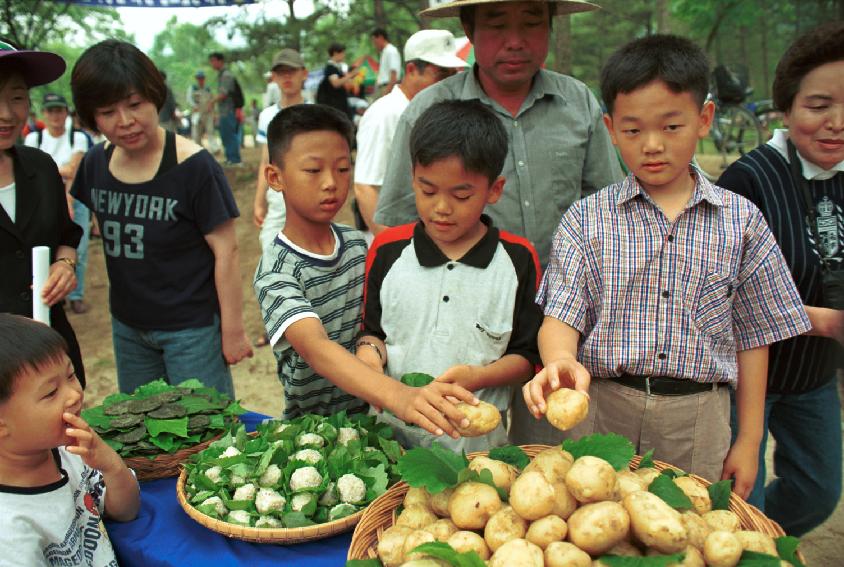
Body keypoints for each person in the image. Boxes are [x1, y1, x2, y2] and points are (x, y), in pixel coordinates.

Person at [522, 34, 811, 491]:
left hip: (697, 419)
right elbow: (560, 313)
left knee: (687, 538)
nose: (652, 145)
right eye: (633, 131)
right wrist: (559, 360)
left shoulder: (742, 222)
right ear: (611, 128)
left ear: (704, 119)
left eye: (671, 127)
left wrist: (750, 438)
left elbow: (754, 337)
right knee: (592, 533)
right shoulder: (586, 218)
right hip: (600, 404)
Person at [374, 0, 624, 444]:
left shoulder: (577, 103)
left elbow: (606, 209)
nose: (515, 40)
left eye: (531, 23)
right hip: (464, 332)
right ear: (469, 29)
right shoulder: (429, 111)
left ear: (549, 27)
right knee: (453, 458)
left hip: (564, 324)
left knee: (547, 466)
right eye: (496, 24)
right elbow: (396, 224)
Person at [253, 104, 478, 435]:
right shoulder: (276, 270)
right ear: (275, 177)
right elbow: (316, 348)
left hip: (377, 422)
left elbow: (383, 319)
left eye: (343, 169)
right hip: (315, 430)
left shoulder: (358, 244)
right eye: (313, 171)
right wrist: (399, 397)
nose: (331, 183)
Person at [69, 40, 253, 397]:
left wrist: (232, 330)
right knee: (145, 433)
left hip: (191, 330)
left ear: (155, 96)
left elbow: (226, 252)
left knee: (206, 431)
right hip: (128, 328)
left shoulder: (195, 167)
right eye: (107, 112)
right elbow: (78, 223)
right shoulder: (95, 164)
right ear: (92, 117)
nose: (125, 122)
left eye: (135, 104)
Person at [716, 23, 844, 535]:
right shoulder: (747, 180)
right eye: (818, 106)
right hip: (747, 379)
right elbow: (723, 294)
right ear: (785, 110)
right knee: (743, 500)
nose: (837, 123)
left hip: (814, 378)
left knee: (819, 492)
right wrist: (824, 322)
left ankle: (770, 541)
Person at [358, 100, 542, 452]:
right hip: (389, 444)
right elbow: (373, 332)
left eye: (461, 195)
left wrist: (479, 377)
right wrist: (369, 359)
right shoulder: (388, 250)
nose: (441, 208)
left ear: (494, 190)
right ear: (412, 178)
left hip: (478, 449)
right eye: (427, 191)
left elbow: (525, 357)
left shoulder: (517, 259)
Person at [0, 314, 140, 564]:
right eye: (51, 392)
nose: (74, 394)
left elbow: (126, 511)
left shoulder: (69, 451)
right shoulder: (9, 529)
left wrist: (111, 465)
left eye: (71, 375)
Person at [0, 39, 86, 388]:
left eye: (17, 97)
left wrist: (64, 266)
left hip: (50, 353)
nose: (6, 113)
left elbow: (66, 236)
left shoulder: (40, 167)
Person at [354, 29, 467, 242]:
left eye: (453, 74)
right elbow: (365, 187)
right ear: (412, 69)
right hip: (399, 238)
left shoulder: (439, 112)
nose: (449, 82)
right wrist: (391, 247)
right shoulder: (386, 114)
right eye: (441, 74)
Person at [24, 93, 93, 316]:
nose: (55, 115)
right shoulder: (34, 139)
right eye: (50, 111)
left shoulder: (78, 137)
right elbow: (34, 173)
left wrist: (66, 200)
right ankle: (53, 295)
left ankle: (76, 295)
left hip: (74, 197)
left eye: (59, 110)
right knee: (43, 249)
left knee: (77, 250)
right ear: (44, 114)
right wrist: (60, 171)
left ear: (66, 113)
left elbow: (73, 170)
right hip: (41, 200)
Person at [253, 48, 309, 253]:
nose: (287, 77)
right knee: (270, 251)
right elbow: (265, 163)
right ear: (274, 77)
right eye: (281, 72)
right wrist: (259, 202)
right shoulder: (267, 116)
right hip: (277, 197)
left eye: (292, 71)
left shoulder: (316, 114)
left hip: (309, 196)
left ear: (304, 73)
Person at [208, 51, 242, 166]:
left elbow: (224, 94)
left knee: (229, 134)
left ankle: (235, 159)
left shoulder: (226, 75)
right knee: (225, 134)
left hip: (228, 109)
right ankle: (230, 158)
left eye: (213, 61)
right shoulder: (221, 75)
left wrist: (211, 101)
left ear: (220, 61)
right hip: (223, 110)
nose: (212, 64)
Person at [316, 43, 357, 119]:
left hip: (340, 103)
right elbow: (335, 83)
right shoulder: (331, 68)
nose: (344, 55)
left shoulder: (339, 68)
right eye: (342, 53)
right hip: (332, 104)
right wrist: (350, 75)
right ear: (335, 53)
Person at [187, 70, 218, 153]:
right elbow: (189, 99)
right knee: (197, 132)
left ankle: (214, 148)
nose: (200, 79)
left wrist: (214, 112)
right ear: (196, 79)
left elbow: (212, 99)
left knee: (210, 130)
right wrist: (194, 106)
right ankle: (198, 149)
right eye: (199, 78)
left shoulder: (207, 88)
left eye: (202, 78)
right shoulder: (193, 88)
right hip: (197, 112)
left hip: (208, 113)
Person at [372, 28, 402, 96]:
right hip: (382, 87)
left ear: (380, 37)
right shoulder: (384, 52)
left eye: (375, 42)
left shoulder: (391, 51)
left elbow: (394, 73)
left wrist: (387, 92)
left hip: (387, 87)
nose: (375, 45)